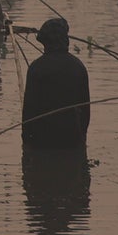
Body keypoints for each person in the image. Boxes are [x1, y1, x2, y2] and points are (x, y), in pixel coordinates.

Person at [21, 18, 90, 149]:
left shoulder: (36, 68)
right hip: (72, 138)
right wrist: (82, 136)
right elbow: (85, 109)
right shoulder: (78, 66)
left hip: (41, 139)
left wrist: (26, 142)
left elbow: (29, 110)